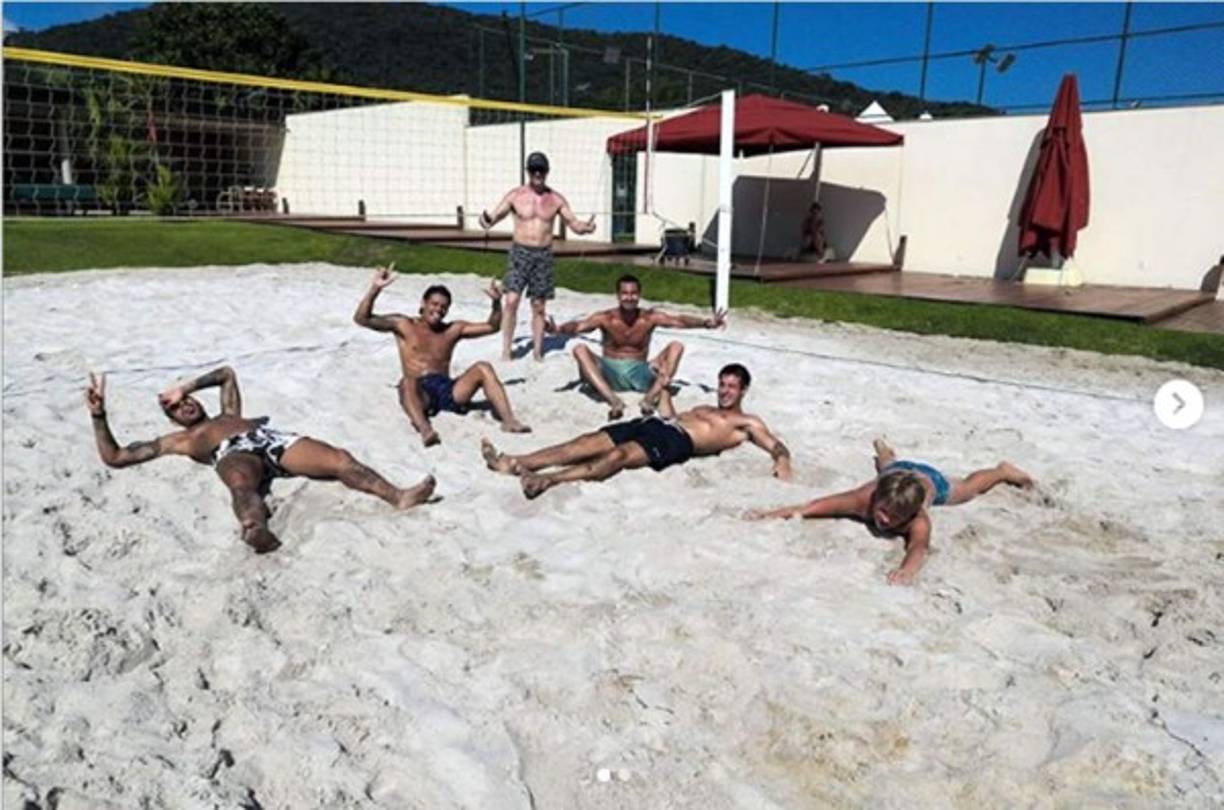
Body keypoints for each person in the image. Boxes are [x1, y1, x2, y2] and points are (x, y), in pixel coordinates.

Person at [84, 367, 435, 554]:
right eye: (174, 408)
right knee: (241, 484)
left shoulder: (229, 411)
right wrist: (99, 415)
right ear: (173, 419)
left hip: (273, 441)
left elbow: (226, 373)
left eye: (183, 400)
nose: (183, 406)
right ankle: (256, 529)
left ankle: (398, 497)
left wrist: (185, 386)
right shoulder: (180, 440)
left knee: (340, 459)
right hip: (231, 453)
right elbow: (115, 457)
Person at [482, 363, 791, 499]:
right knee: (585, 442)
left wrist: (781, 461)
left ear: (744, 390)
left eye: (731, 387)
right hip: (656, 424)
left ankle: (548, 479)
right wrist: (664, 389)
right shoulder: (702, 408)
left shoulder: (747, 423)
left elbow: (776, 445)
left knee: (617, 456)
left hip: (676, 442)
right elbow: (669, 414)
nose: (724, 392)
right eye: (722, 385)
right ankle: (515, 462)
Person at [747, 439, 1033, 585]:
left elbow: (919, 547)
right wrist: (772, 513)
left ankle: (1001, 471)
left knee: (968, 490)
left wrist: (906, 571)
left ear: (908, 517)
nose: (883, 521)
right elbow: (812, 507)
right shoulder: (864, 499)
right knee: (886, 466)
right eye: (882, 512)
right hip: (895, 475)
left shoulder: (918, 518)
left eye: (893, 519)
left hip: (931, 482)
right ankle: (883, 449)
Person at [353, 265, 530, 447]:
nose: (438, 310)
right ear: (423, 303)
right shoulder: (404, 325)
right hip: (420, 392)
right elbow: (361, 319)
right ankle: (425, 429)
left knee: (483, 368)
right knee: (406, 382)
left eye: (443, 307)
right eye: (434, 304)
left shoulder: (452, 330)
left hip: (449, 390)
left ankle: (509, 421)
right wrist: (375, 289)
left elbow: (492, 327)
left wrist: (495, 303)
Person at [546, 273, 726, 420]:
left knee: (676, 346)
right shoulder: (606, 318)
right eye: (625, 293)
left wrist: (705, 323)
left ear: (639, 295)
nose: (629, 298)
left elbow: (678, 320)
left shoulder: (648, 318)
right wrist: (559, 329)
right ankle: (614, 401)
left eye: (633, 293)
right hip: (609, 371)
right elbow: (579, 326)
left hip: (640, 372)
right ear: (618, 295)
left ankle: (648, 400)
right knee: (579, 349)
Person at [479, 151, 598, 362]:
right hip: (520, 252)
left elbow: (574, 224)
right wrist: (486, 220)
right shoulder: (515, 196)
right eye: (533, 170)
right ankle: (506, 350)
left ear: (547, 172)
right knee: (512, 300)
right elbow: (494, 216)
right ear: (527, 171)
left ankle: (537, 351)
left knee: (539, 306)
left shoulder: (556, 199)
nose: (537, 174)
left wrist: (586, 228)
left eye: (541, 170)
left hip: (543, 255)